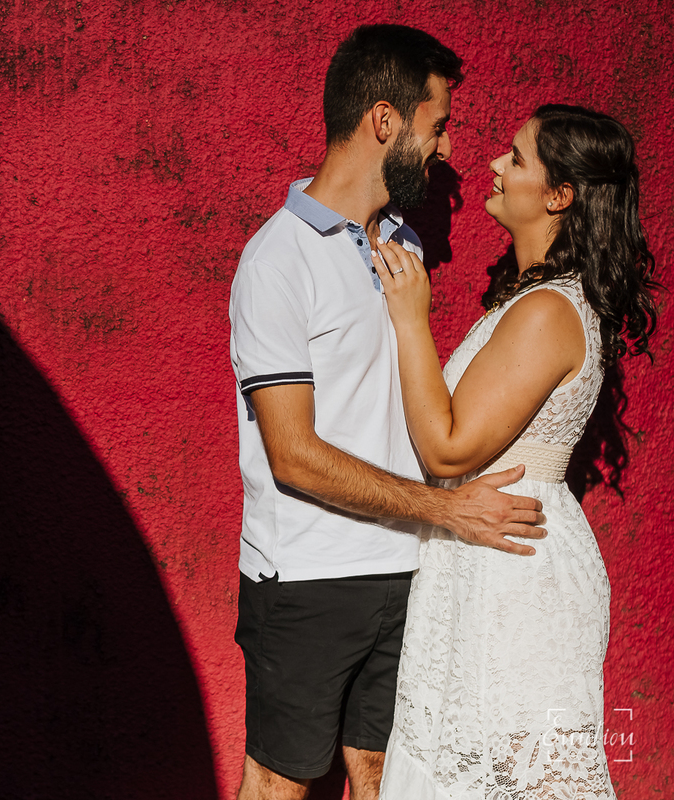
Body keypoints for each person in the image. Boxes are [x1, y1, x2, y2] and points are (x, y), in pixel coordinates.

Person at [229, 25, 547, 800]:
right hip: (306, 578)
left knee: (385, 778)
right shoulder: (277, 261)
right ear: (384, 120)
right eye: (436, 126)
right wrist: (447, 510)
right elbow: (293, 454)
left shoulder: (400, 243)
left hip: (406, 571)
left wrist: (432, 523)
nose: (445, 152)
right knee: (280, 784)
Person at [375, 105, 659, 798]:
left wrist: (411, 318)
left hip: (513, 573)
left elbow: (446, 450)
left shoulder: (548, 311)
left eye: (517, 157)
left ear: (559, 195)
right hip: (488, 557)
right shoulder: (535, 300)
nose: (496, 167)